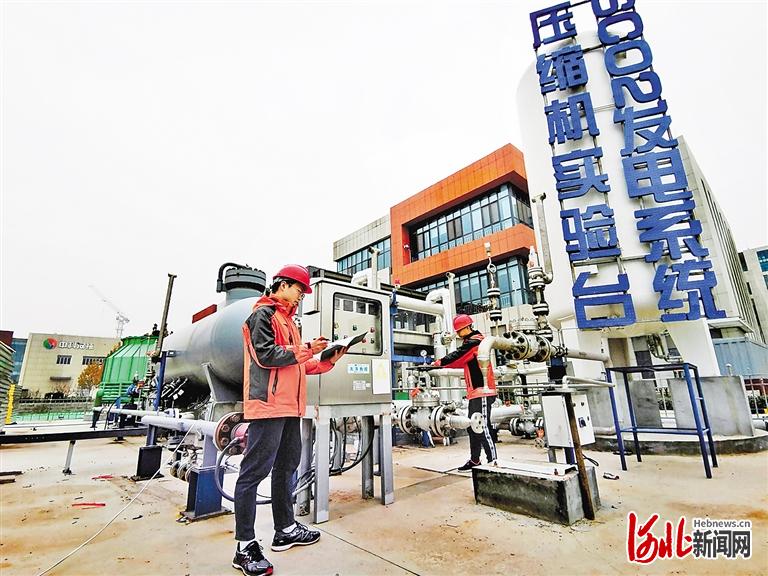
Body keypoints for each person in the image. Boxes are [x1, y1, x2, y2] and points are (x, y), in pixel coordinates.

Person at [233, 264, 346, 576]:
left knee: (286, 468)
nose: (300, 296)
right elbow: (266, 356)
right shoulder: (262, 315)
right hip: (268, 407)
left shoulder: (288, 321)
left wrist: (326, 361)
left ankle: (285, 529)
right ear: (282, 285)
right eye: (299, 290)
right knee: (253, 474)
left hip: (289, 408)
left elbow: (296, 365)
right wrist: (307, 348)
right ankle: (244, 546)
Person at [432, 314, 497, 471]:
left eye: (460, 331)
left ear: (467, 328)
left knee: (482, 427)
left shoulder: (475, 342)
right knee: (473, 427)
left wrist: (439, 362)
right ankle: (475, 460)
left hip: (483, 391)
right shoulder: (471, 342)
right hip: (476, 392)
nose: (459, 334)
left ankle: (494, 463)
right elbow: (460, 360)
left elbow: (458, 356)